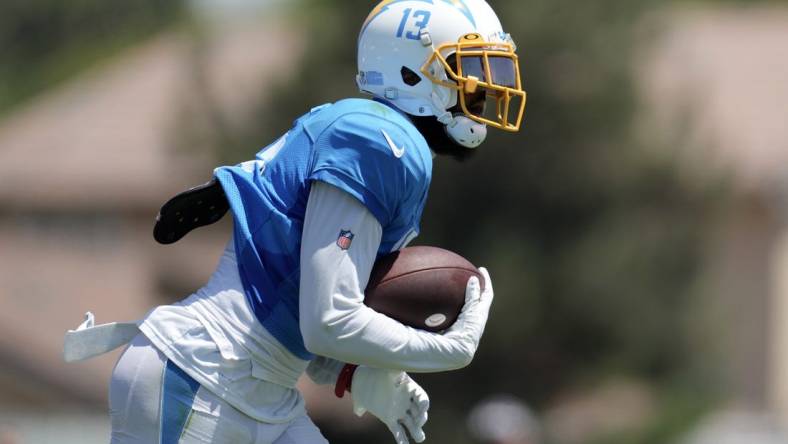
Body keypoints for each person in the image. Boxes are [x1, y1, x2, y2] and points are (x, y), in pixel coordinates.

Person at [104, 1, 526, 443]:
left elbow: (301, 306)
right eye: (471, 68)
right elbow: (329, 320)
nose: (487, 87)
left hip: (255, 388)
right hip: (205, 373)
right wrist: (446, 349)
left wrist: (357, 373)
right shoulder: (381, 141)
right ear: (410, 72)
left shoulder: (376, 136)